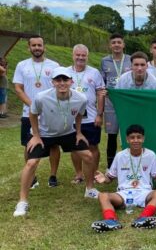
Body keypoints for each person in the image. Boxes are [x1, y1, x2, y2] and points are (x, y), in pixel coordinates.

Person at [13, 67, 97, 217]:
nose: (62, 83)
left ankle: (90, 189)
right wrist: (36, 135)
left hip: (67, 133)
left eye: (65, 80)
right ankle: (22, 201)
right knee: (31, 163)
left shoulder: (81, 98)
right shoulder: (41, 97)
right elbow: (32, 115)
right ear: (53, 82)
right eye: (58, 80)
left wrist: (78, 133)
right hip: (44, 134)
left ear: (71, 81)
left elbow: (79, 114)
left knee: (89, 156)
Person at [91, 124, 156, 232]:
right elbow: (110, 178)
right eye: (132, 137)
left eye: (139, 137)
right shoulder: (120, 156)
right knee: (102, 195)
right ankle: (111, 221)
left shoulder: (151, 155)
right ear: (127, 139)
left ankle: (143, 219)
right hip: (124, 193)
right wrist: (104, 179)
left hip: (144, 192)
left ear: (143, 139)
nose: (136, 140)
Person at [13, 36, 61, 188]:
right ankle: (32, 177)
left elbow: (59, 87)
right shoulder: (22, 65)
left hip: (50, 112)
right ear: (29, 47)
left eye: (39, 45)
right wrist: (34, 106)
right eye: (33, 45)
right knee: (29, 145)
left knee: (54, 145)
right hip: (28, 113)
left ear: (44, 47)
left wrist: (47, 106)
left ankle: (53, 176)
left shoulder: (54, 66)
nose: (37, 48)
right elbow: (18, 89)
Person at [68, 44, 105, 185]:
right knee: (74, 147)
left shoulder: (94, 72)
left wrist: (99, 114)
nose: (80, 58)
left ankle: (94, 173)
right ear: (73, 55)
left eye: (83, 55)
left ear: (87, 56)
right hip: (70, 118)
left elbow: (101, 94)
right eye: (78, 55)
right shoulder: (65, 72)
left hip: (90, 117)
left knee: (93, 146)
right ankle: (79, 174)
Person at [100, 33, 132, 170]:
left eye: (119, 42)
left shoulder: (131, 60)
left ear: (123, 44)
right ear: (110, 45)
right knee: (112, 136)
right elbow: (102, 83)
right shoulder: (104, 61)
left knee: (130, 135)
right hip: (110, 103)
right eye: (114, 42)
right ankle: (110, 167)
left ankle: (132, 164)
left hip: (127, 103)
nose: (117, 45)